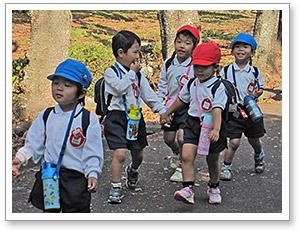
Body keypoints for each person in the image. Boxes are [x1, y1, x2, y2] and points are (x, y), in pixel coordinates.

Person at [12, 59, 104, 213]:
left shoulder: (88, 119)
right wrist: (20, 159)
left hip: (75, 180)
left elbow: (93, 150)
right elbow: (34, 144)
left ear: (81, 93)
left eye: (67, 85)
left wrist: (93, 173)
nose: (59, 88)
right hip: (49, 177)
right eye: (56, 83)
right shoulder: (47, 115)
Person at [103, 30, 166, 204]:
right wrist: (131, 73)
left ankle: (133, 169)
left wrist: (162, 111)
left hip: (135, 118)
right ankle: (116, 186)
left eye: (139, 52)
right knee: (120, 153)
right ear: (121, 53)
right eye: (135, 52)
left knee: (138, 154)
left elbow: (148, 95)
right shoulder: (111, 73)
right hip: (116, 117)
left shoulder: (138, 74)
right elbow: (119, 88)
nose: (138, 56)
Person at [161, 43, 227, 204]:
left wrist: (216, 130)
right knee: (186, 155)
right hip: (192, 123)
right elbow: (181, 100)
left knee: (212, 160)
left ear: (215, 67)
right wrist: (167, 112)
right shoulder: (192, 83)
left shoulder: (218, 87)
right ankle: (188, 188)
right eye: (197, 66)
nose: (199, 70)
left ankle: (214, 186)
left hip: (211, 126)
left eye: (204, 67)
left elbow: (217, 109)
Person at [219, 33, 266, 181]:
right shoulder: (226, 71)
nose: (240, 49)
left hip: (251, 111)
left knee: (254, 140)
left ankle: (259, 154)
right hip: (234, 111)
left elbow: (260, 88)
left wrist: (257, 93)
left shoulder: (255, 71)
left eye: (245, 47)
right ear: (232, 51)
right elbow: (220, 88)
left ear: (252, 53)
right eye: (237, 46)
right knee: (233, 141)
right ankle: (226, 166)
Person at [157, 25, 200, 183]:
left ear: (194, 47)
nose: (182, 45)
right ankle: (176, 152)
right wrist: (160, 106)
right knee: (169, 138)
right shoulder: (169, 64)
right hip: (170, 106)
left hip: (187, 108)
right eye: (179, 41)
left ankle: (182, 166)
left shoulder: (196, 66)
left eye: (187, 43)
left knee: (183, 137)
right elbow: (162, 84)